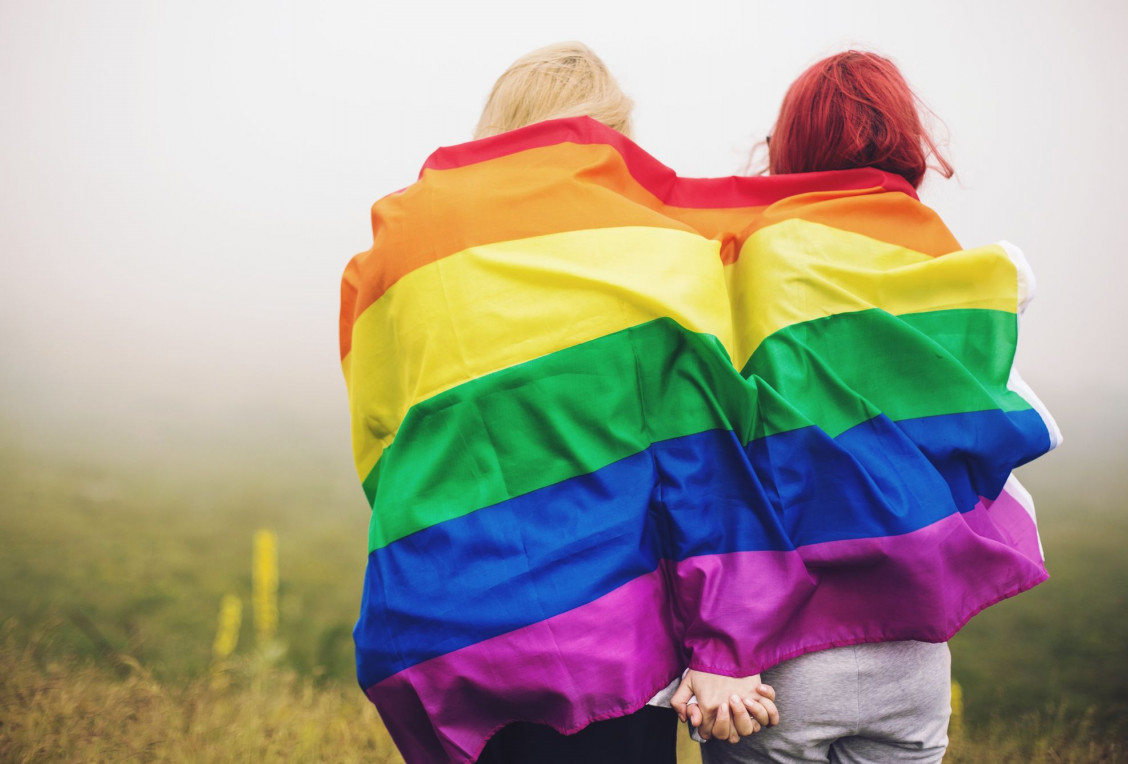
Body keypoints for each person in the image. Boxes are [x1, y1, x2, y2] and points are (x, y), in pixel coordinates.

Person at [340, 41, 777, 764]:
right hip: (602, 634)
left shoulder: (398, 246)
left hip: (436, 623)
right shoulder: (650, 244)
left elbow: (382, 440)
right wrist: (723, 638)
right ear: (607, 133)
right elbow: (697, 461)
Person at [693, 49, 1055, 764]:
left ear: (792, 141)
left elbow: (717, 459)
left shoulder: (753, 258)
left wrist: (712, 640)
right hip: (915, 653)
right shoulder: (941, 259)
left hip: (777, 655)